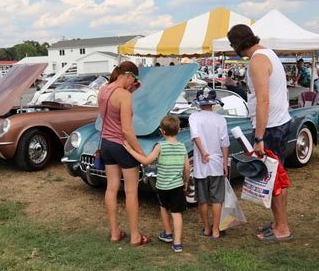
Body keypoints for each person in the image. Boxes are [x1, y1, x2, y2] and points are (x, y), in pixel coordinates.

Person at [228, 24, 293, 242]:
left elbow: (263, 100)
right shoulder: (269, 53)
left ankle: (282, 228)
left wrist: (258, 136)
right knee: (278, 176)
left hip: (271, 128)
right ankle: (278, 222)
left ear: (237, 44)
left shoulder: (257, 60)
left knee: (272, 179)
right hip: (280, 122)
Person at [98, 61, 151, 246]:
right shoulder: (124, 95)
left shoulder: (103, 90)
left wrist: (131, 90)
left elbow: (114, 105)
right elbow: (127, 130)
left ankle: (114, 233)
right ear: (128, 75)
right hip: (122, 145)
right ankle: (135, 236)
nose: (132, 84)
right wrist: (141, 152)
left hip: (106, 144)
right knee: (130, 191)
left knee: (111, 189)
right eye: (133, 80)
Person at [124, 116, 189, 252]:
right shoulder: (183, 147)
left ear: (161, 131)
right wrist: (186, 181)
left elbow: (146, 161)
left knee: (164, 207)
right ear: (178, 130)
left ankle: (167, 233)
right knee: (177, 213)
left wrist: (130, 150)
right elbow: (187, 168)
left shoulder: (160, 146)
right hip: (177, 186)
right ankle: (177, 243)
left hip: (163, 186)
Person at [189, 89, 229, 239]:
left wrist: (203, 152)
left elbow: (195, 136)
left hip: (201, 164)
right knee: (217, 198)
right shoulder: (220, 119)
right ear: (213, 104)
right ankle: (216, 230)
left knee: (203, 198)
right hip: (217, 163)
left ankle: (206, 228)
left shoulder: (194, 117)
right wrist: (225, 163)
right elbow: (225, 143)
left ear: (199, 103)